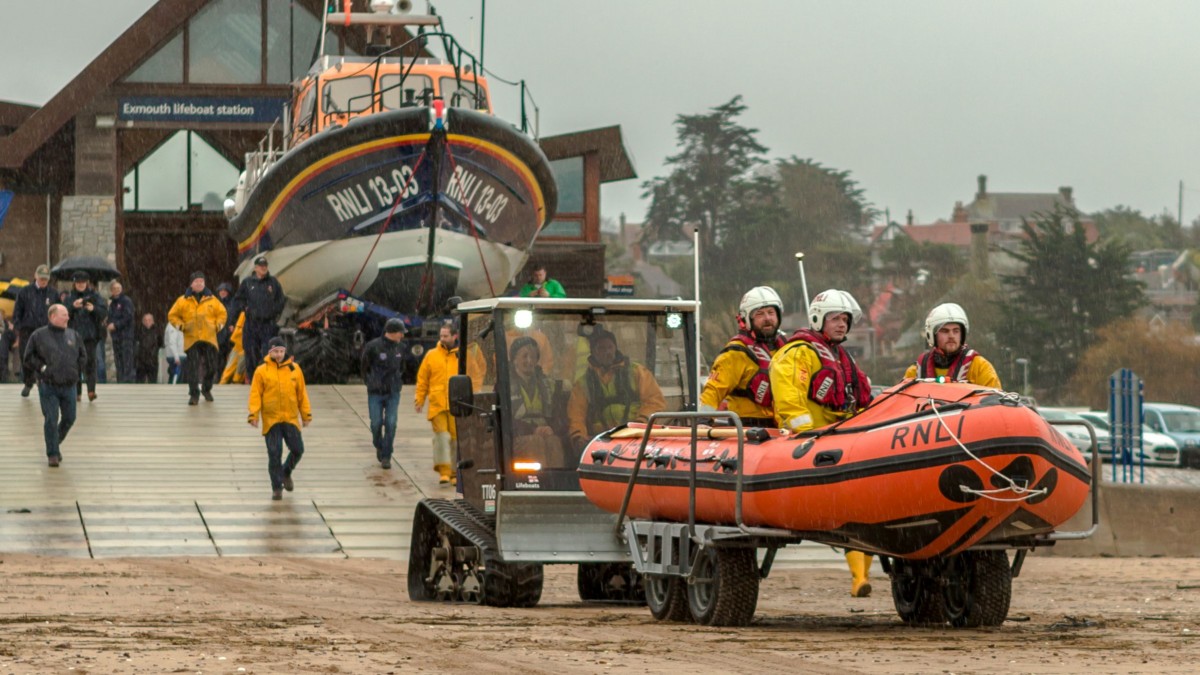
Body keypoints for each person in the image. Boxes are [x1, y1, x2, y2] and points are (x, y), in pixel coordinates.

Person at [769, 289, 875, 598]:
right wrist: (807, 434)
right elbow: (790, 395)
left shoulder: (844, 357)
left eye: (845, 319)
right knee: (851, 512)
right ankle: (859, 576)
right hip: (815, 446)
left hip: (845, 441)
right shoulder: (799, 352)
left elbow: (862, 400)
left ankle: (860, 578)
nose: (841, 325)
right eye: (835, 319)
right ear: (819, 319)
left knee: (858, 514)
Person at [699, 286, 787, 428]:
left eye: (771, 312)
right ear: (746, 318)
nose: (767, 318)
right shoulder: (736, 353)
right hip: (748, 429)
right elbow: (714, 390)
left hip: (780, 427)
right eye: (760, 314)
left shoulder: (786, 349)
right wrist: (702, 420)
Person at [567, 326, 666, 453]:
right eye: (601, 348)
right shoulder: (583, 383)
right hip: (599, 442)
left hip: (636, 440)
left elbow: (655, 402)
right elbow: (576, 414)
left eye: (610, 347)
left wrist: (640, 425)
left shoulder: (637, 372)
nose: (607, 352)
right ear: (593, 352)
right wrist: (578, 437)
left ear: (615, 348)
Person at [247, 337, 312, 500]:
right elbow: (255, 394)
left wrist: (306, 414)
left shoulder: (294, 369)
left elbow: (302, 394)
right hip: (272, 420)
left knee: (298, 449)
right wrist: (253, 414)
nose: (279, 355)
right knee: (274, 453)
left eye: (281, 351)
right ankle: (276, 487)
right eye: (275, 351)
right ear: (270, 352)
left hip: (290, 418)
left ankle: (286, 472)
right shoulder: (262, 371)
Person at [23, 304, 87, 467]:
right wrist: (43, 369)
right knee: (51, 419)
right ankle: (52, 454)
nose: (67, 317)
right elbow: (28, 358)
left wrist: (76, 370)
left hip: (69, 385)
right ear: (52, 317)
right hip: (48, 385)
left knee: (70, 418)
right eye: (64, 315)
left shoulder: (73, 335)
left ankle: (54, 443)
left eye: (67, 315)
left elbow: (83, 355)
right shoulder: (39, 335)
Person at [904, 303, 1002, 389]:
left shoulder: (980, 368)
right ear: (933, 335)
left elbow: (996, 404)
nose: (951, 336)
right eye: (944, 331)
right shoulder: (916, 372)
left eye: (956, 331)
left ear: (962, 334)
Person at [168, 272, 227, 405]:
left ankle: (206, 389)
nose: (199, 283)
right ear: (191, 284)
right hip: (192, 339)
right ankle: (194, 394)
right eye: (196, 281)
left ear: (204, 283)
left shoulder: (213, 299)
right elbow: (172, 315)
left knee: (212, 367)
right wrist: (180, 326)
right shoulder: (182, 300)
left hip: (209, 338)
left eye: (201, 281)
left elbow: (222, 314)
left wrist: (218, 326)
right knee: (193, 369)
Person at [415, 323, 461, 484]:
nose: (442, 339)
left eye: (446, 336)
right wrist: (419, 399)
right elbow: (423, 379)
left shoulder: (463, 355)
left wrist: (473, 392)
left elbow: (475, 372)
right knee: (442, 436)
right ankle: (444, 471)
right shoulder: (431, 355)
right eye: (441, 336)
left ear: (455, 336)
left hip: (457, 403)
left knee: (456, 439)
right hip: (437, 404)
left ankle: (455, 473)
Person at [509, 336, 566, 466]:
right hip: (517, 438)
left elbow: (557, 413)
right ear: (514, 360)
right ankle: (538, 482)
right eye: (524, 356)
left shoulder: (547, 384)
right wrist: (533, 429)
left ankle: (556, 483)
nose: (529, 361)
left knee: (554, 442)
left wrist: (552, 428)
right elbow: (505, 420)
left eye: (533, 356)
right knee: (535, 442)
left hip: (544, 435)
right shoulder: (504, 385)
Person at [361, 318, 407, 469]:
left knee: (391, 423)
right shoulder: (373, 347)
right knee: (376, 423)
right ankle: (378, 444)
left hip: (393, 391)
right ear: (393, 333)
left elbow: (403, 368)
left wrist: (397, 382)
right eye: (401, 332)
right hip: (376, 392)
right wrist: (370, 382)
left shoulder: (401, 348)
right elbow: (364, 366)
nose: (402, 336)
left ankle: (387, 455)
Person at [231, 255, 286, 383]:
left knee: (268, 351)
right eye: (261, 267)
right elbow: (238, 300)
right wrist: (238, 315)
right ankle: (252, 378)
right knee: (250, 352)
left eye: (265, 266)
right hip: (251, 323)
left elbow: (281, 300)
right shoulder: (248, 282)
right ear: (255, 268)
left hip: (268, 323)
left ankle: (267, 378)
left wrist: (274, 312)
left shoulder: (273, 282)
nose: (263, 269)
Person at [13, 265, 56, 397]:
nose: (43, 281)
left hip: (46, 330)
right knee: (26, 357)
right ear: (35, 276)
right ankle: (28, 381)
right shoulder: (25, 292)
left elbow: (58, 310)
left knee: (46, 357)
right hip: (28, 330)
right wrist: (18, 326)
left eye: (46, 279)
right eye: (41, 278)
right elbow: (17, 311)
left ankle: (44, 382)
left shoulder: (53, 293)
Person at [65, 271, 107, 402]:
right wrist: (73, 307)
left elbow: (104, 312)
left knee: (91, 363)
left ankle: (91, 391)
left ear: (87, 283)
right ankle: (77, 393)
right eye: (78, 282)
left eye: (83, 282)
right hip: (73, 336)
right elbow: (62, 313)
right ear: (74, 284)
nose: (80, 285)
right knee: (75, 365)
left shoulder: (95, 296)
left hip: (90, 335)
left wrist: (93, 309)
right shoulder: (70, 297)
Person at [106, 280, 136, 383]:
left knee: (126, 358)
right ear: (111, 291)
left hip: (125, 335)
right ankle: (120, 379)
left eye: (119, 288)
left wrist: (116, 325)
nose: (117, 291)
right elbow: (111, 317)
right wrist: (107, 323)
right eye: (114, 289)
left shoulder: (126, 301)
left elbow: (128, 317)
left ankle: (128, 380)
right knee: (118, 359)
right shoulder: (112, 304)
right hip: (116, 336)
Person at [135, 313, 163, 383]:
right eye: (145, 320)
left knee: (153, 383)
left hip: (152, 361)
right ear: (143, 322)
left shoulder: (157, 331)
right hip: (141, 362)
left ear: (153, 321)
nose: (147, 322)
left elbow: (160, 343)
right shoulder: (139, 331)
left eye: (149, 320)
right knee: (139, 384)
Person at [220, 313, 247, 384]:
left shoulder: (243, 313)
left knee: (233, 362)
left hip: (240, 337)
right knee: (238, 361)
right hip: (242, 338)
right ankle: (235, 379)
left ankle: (227, 380)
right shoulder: (244, 313)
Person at [215, 282, 235, 367]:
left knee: (231, 357)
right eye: (221, 291)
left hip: (231, 335)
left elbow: (236, 316)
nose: (222, 292)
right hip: (219, 335)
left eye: (224, 290)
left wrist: (234, 325)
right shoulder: (215, 304)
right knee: (219, 358)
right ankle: (220, 377)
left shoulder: (233, 304)